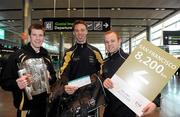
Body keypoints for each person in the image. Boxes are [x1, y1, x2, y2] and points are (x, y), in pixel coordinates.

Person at [1, 23, 57, 117]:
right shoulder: (17, 56)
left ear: (43, 37)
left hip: (45, 107)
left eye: (40, 35)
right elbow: (4, 82)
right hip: (27, 108)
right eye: (34, 35)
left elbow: (54, 77)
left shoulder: (46, 56)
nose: (37, 38)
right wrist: (17, 84)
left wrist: (50, 77)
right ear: (30, 36)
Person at [101, 30, 159, 117]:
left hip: (126, 110)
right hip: (109, 110)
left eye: (112, 41)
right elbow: (102, 80)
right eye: (107, 42)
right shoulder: (105, 63)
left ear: (119, 41)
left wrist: (154, 101)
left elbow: (150, 79)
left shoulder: (130, 59)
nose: (109, 44)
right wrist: (104, 81)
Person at [60, 20, 103, 116]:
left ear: (86, 32)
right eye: (77, 30)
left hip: (91, 96)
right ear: (74, 33)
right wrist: (66, 86)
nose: (80, 33)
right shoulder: (69, 53)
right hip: (73, 95)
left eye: (82, 30)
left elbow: (102, 70)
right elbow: (63, 73)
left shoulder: (95, 51)